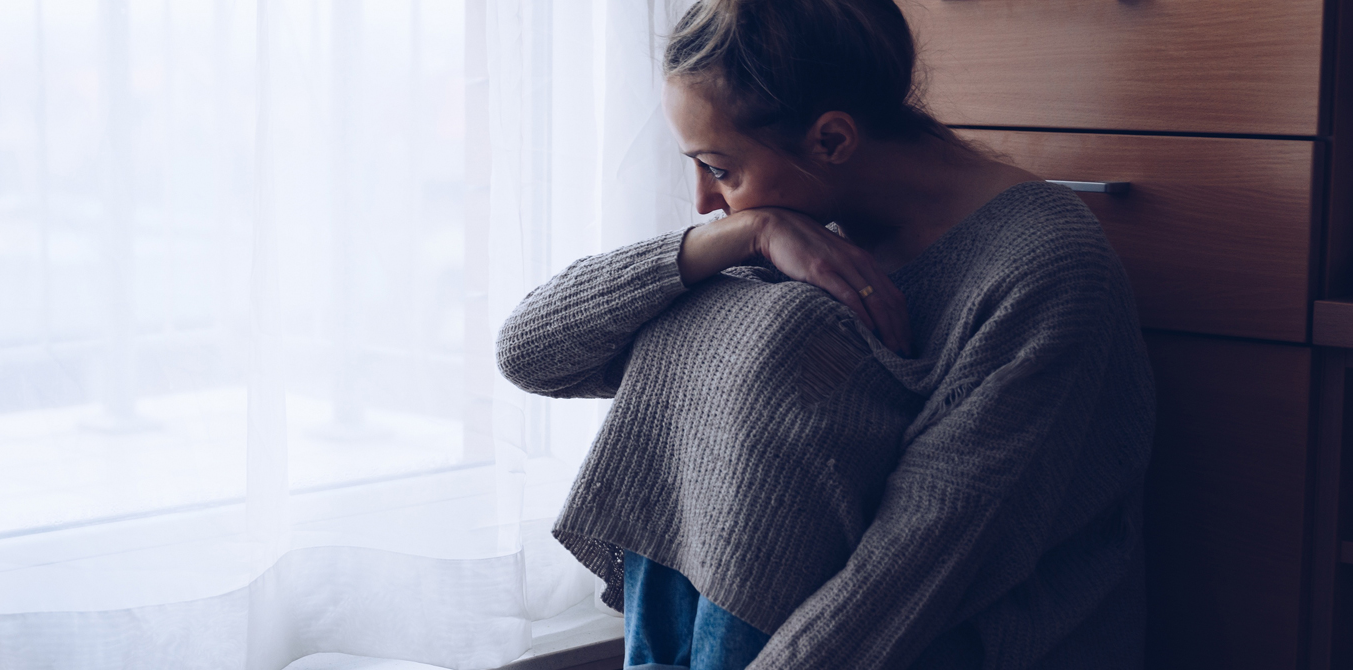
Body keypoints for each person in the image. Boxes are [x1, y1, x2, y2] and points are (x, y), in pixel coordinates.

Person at [494, 0, 1156, 668]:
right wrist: (737, 236)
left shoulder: (1044, 266)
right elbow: (531, 354)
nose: (702, 202)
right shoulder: (788, 225)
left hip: (952, 640)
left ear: (832, 141)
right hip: (751, 641)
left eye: (719, 169)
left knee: (779, 331)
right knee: (712, 322)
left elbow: (919, 561)